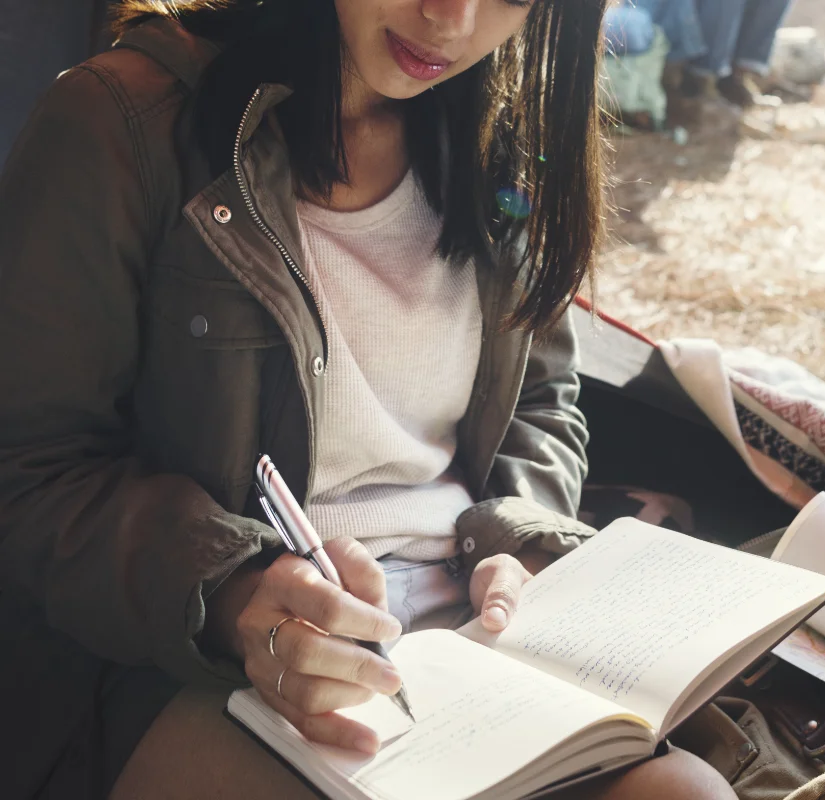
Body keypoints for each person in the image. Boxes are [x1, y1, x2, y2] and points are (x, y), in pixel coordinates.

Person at [0, 1, 737, 798]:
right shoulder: (122, 121)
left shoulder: (501, 131)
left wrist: (518, 538)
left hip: (472, 642)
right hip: (197, 658)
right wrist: (235, 591)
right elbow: (32, 467)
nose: (451, 19)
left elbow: (543, 398)